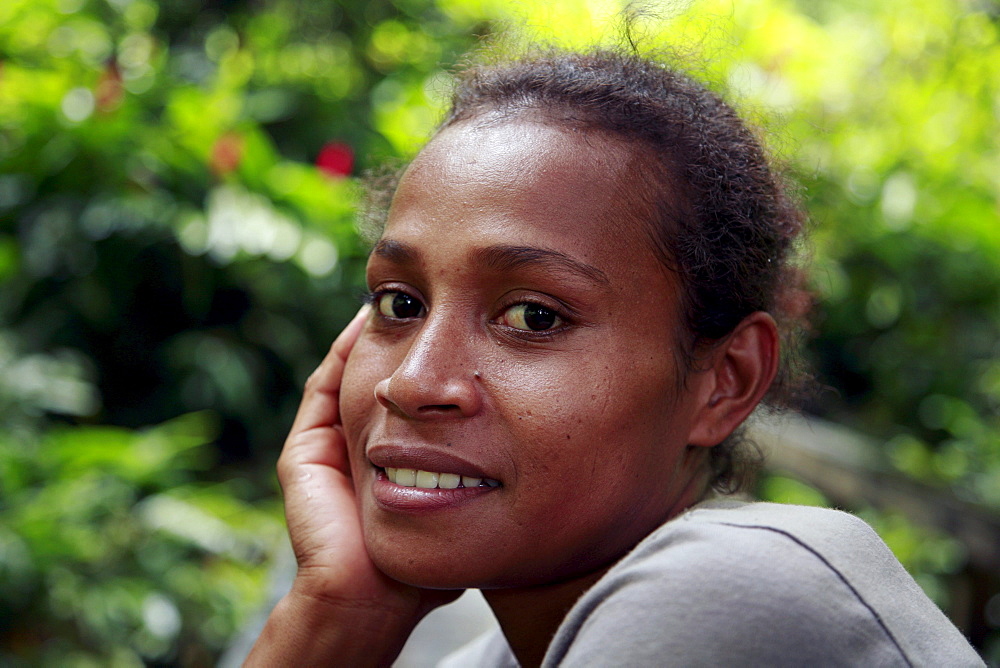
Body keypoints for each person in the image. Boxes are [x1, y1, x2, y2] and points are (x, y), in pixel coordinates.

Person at [246, 46, 982, 667]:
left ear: (725, 382)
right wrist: (336, 616)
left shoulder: (731, 590)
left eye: (533, 316)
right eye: (400, 304)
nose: (412, 382)